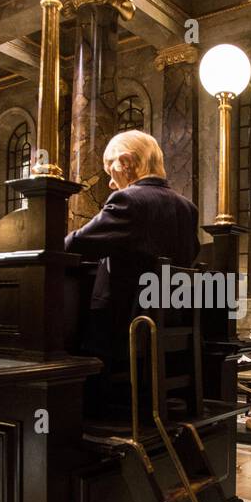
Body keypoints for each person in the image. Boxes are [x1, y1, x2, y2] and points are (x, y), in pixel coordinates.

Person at [64, 130, 199, 412]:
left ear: (125, 162)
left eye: (110, 171)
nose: (111, 183)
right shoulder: (188, 208)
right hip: (171, 322)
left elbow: (77, 243)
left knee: (66, 336)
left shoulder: (128, 201)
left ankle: (86, 419)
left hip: (128, 327)